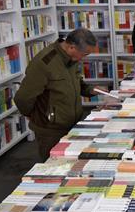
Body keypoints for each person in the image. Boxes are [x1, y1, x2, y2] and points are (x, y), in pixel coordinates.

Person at [14, 28, 98, 162]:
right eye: (85, 53)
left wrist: (91, 90)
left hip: (72, 124)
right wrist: (33, 115)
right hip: (50, 130)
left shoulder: (72, 59)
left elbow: (76, 83)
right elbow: (23, 97)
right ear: (71, 47)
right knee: (53, 168)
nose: (84, 57)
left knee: (72, 167)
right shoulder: (44, 63)